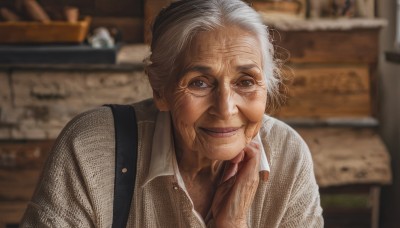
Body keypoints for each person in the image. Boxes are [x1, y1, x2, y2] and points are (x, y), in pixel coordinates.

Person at [20, 0, 323, 227]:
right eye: (199, 82)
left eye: (246, 82)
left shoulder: (287, 156)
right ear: (160, 89)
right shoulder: (92, 149)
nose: (225, 108)